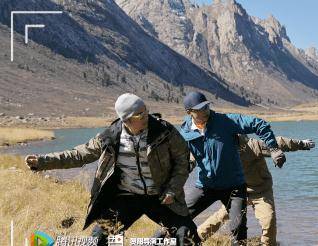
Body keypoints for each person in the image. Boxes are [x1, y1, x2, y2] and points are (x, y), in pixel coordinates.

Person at [24, 93, 200, 245]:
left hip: (161, 197)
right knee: (99, 238)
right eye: (140, 115)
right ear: (127, 119)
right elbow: (79, 154)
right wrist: (43, 161)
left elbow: (182, 161)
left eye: (146, 111)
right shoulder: (111, 137)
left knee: (187, 236)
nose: (147, 116)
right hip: (126, 198)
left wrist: (172, 189)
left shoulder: (165, 132)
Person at [168, 91, 285, 245]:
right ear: (189, 112)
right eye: (200, 109)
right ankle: (153, 242)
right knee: (175, 217)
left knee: (238, 228)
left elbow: (259, 124)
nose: (205, 111)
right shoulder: (185, 133)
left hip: (234, 188)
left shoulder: (225, 122)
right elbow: (182, 158)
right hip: (205, 187)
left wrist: (274, 148)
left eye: (206, 107)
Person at [197, 134, 315, 245]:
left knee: (269, 221)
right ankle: (193, 240)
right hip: (239, 192)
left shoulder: (252, 145)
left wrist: (301, 144)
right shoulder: (221, 152)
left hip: (261, 191)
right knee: (220, 216)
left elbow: (277, 142)